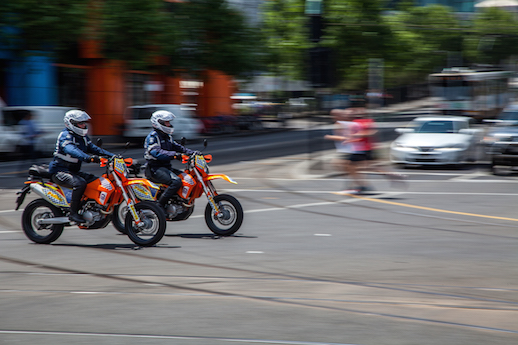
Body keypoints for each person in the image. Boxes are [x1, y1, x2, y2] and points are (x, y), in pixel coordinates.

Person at [49, 110, 116, 223]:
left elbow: (95, 149)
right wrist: (88, 158)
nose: (83, 125)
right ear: (71, 123)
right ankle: (73, 213)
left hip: (73, 171)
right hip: (59, 171)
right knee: (80, 183)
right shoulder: (65, 136)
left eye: (84, 123)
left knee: (98, 181)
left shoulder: (83, 137)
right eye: (80, 123)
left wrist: (113, 156)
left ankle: (90, 207)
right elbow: (71, 149)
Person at [144, 110, 200, 208]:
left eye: (169, 122)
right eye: (166, 122)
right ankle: (159, 206)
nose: (169, 125)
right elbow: (155, 152)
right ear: (158, 122)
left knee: (188, 178)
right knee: (176, 181)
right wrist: (174, 155)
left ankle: (178, 201)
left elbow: (178, 147)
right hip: (155, 169)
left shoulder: (167, 137)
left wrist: (193, 152)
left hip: (166, 168)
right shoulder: (153, 137)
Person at [352, 107, 407, 188]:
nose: (359, 113)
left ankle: (363, 186)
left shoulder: (368, 121)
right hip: (359, 148)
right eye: (357, 111)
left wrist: (358, 135)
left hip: (366, 148)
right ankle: (392, 175)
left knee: (359, 168)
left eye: (361, 111)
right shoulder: (354, 122)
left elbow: (373, 132)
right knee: (361, 168)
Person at [324, 108, 369, 194]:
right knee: (349, 168)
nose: (333, 117)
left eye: (335, 115)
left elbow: (344, 137)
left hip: (350, 150)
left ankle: (360, 186)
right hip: (352, 149)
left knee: (340, 165)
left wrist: (329, 136)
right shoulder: (352, 123)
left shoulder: (341, 124)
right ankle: (360, 185)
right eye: (332, 115)